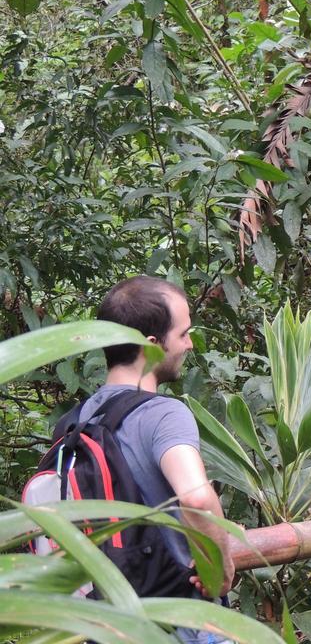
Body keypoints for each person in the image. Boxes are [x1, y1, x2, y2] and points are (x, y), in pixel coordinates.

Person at [80, 276, 235, 644]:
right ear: (151, 346)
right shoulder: (163, 414)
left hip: (106, 621)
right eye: (183, 334)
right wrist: (221, 565)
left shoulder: (79, 419)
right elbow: (195, 497)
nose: (189, 344)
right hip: (177, 619)